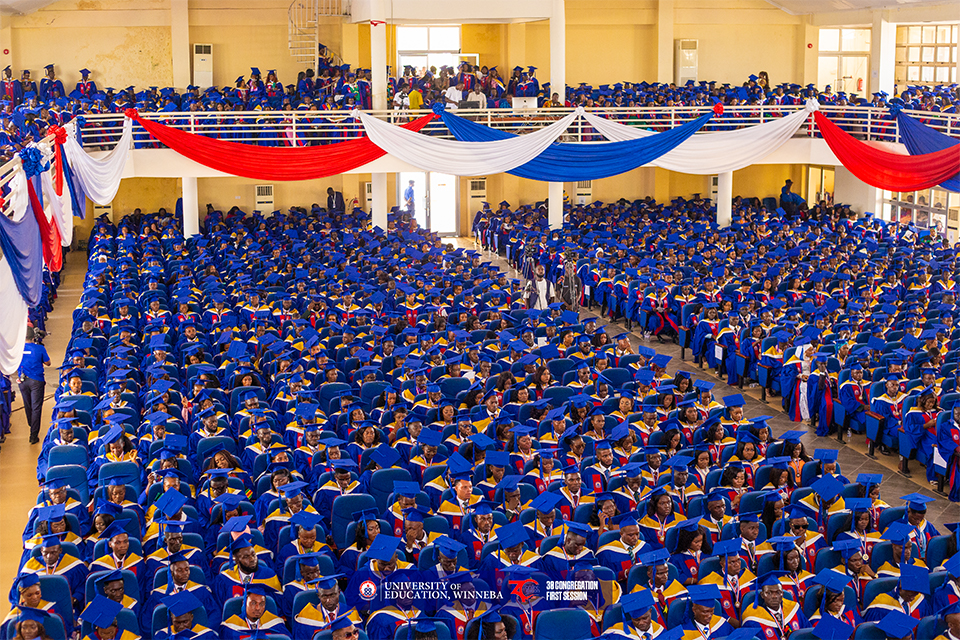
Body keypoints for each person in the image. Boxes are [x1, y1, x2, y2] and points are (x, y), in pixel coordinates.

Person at [17, 327, 49, 444]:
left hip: (22, 381)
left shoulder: (18, 349)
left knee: (27, 405)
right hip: (37, 381)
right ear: (33, 337)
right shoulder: (39, 348)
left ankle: (31, 423)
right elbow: (48, 362)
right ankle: (33, 435)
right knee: (36, 407)